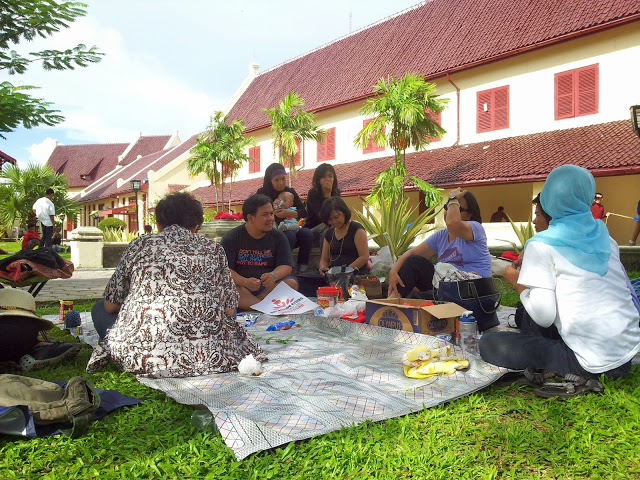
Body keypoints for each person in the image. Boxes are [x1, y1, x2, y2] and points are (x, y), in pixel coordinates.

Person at [480, 165, 640, 385]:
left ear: (550, 199)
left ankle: (558, 369)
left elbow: (544, 316)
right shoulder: (606, 238)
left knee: (489, 343)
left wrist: (516, 282)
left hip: (588, 362)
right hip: (625, 355)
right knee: (527, 313)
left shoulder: (542, 244)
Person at [86, 192, 266, 377]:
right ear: (196, 226)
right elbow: (229, 310)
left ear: (158, 225)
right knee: (226, 313)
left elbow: (110, 305)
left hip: (146, 354)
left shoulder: (139, 244)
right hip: (210, 353)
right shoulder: (214, 249)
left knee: (99, 308)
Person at [387, 187, 491, 298]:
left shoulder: (475, 228)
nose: (449, 210)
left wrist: (453, 198)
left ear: (469, 215)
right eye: (447, 206)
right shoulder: (442, 235)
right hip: (445, 285)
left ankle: (422, 298)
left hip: (472, 289)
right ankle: (391, 302)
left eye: (456, 207)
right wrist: (394, 271)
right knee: (414, 262)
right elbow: (412, 253)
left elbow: (453, 223)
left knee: (421, 299)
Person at [221, 194, 299, 311]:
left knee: (291, 283)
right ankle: (265, 308)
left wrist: (273, 276)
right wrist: (245, 282)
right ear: (250, 218)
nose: (271, 219)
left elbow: (286, 266)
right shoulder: (232, 237)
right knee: (228, 288)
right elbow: (225, 270)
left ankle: (255, 306)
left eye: (271, 213)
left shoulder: (278, 236)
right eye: (265, 215)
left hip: (267, 288)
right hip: (243, 288)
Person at [257, 163, 313, 273]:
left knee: (307, 234)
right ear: (270, 180)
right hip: (271, 233)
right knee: (289, 235)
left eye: (283, 179)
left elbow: (303, 212)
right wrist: (271, 209)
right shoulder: (262, 193)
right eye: (276, 180)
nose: (281, 183)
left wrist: (288, 213)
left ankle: (302, 268)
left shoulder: (290, 192)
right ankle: (283, 266)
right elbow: (257, 214)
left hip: (291, 227)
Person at [318, 197, 369, 274]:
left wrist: (345, 272)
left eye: (336, 217)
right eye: (330, 219)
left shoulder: (357, 229)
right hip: (333, 274)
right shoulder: (329, 233)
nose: (334, 222)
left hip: (355, 274)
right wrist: (323, 270)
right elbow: (324, 259)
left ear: (344, 213)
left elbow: (364, 257)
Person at [304, 163, 341, 246]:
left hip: (330, 227)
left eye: (330, 176)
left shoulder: (336, 192)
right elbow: (324, 217)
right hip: (313, 230)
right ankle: (324, 258)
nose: (328, 179)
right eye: (324, 177)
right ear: (318, 180)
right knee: (327, 228)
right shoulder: (313, 193)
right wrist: (327, 194)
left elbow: (340, 213)